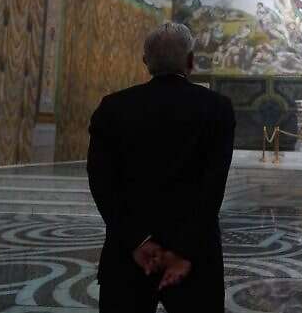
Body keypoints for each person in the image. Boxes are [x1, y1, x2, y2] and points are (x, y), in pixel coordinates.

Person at [88, 23, 235, 313]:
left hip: (128, 254)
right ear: (191, 61)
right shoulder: (217, 107)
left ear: (146, 61)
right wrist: (182, 251)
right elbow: (212, 186)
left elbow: (101, 182)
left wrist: (138, 241)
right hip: (193, 259)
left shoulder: (113, 107)